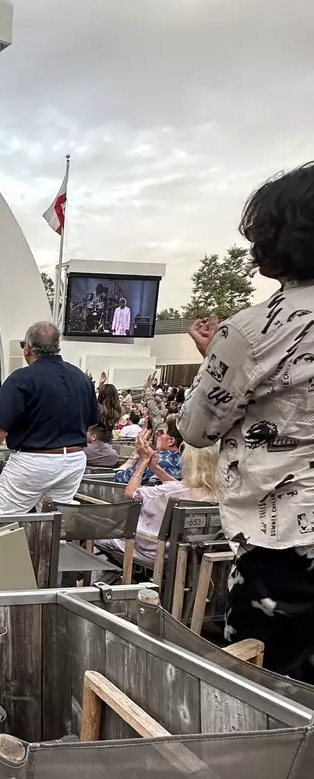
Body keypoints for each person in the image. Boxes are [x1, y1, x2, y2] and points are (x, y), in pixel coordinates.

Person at [178, 161, 314, 680]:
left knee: (273, 689)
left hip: (283, 543)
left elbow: (197, 428)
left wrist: (214, 360)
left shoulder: (253, 329)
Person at [0, 322, 98, 514]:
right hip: (73, 461)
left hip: (33, 462)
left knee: (4, 522)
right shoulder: (82, 378)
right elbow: (90, 423)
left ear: (27, 349)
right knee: (52, 522)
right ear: (57, 346)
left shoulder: (21, 378)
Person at [98, 443, 218, 569]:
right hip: (188, 555)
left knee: (93, 530)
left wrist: (143, 463)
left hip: (148, 552)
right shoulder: (218, 493)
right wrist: (155, 468)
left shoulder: (173, 491)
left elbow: (130, 493)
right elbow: (179, 487)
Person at [113, 421, 182, 484]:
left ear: (171, 441)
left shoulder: (152, 461)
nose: (158, 436)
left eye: (162, 433)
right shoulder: (187, 461)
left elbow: (119, 478)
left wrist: (135, 454)